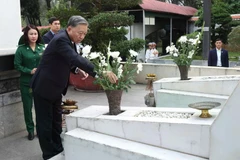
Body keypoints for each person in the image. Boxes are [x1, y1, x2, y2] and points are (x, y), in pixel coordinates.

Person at [30, 15, 118, 160]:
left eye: (84, 33)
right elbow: (74, 58)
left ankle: (57, 149)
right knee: (45, 124)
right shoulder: (61, 39)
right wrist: (100, 71)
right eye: (80, 33)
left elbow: (66, 60)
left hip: (55, 88)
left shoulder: (67, 39)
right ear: (69, 28)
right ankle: (49, 154)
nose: (82, 36)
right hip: (44, 87)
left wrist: (77, 70)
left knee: (56, 122)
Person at [14, 24, 45, 141]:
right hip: (26, 82)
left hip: (40, 82)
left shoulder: (42, 48)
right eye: (31, 34)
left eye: (35, 33)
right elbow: (17, 65)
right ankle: (30, 130)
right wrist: (29, 71)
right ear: (26, 35)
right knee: (27, 108)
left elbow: (47, 62)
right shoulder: (21, 49)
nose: (33, 36)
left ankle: (40, 129)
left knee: (40, 107)